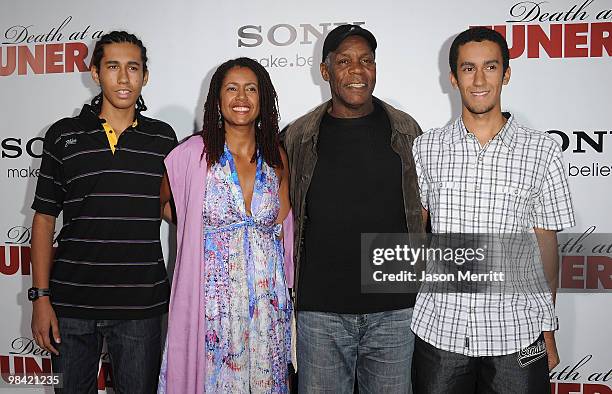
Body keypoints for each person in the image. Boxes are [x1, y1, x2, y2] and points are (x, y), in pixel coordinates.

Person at [410, 27, 575, 393]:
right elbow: (417, 234)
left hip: (517, 333)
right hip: (440, 331)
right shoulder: (426, 149)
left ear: (507, 73)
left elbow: (547, 247)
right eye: (468, 69)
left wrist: (547, 326)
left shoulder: (542, 152)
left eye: (490, 67)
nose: (480, 79)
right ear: (453, 78)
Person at [29, 31, 177, 393]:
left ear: (145, 75)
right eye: (113, 67)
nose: (124, 78)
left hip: (142, 305)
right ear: (95, 73)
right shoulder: (63, 135)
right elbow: (45, 218)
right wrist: (41, 298)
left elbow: (172, 210)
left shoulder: (164, 138)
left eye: (133, 68)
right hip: (71, 304)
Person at [282, 24, 424, 393]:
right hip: (320, 313)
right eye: (344, 61)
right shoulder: (297, 136)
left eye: (366, 61)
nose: (357, 71)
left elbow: (425, 213)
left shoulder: (407, 131)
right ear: (325, 71)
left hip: (395, 311)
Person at [158, 57, 293, 393]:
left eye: (251, 89)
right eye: (231, 88)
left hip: (266, 301)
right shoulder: (193, 153)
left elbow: (282, 221)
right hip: (212, 300)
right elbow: (165, 204)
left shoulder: (276, 155)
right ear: (217, 100)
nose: (241, 97)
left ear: (264, 99)